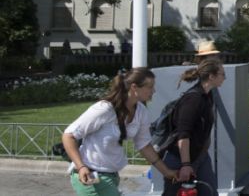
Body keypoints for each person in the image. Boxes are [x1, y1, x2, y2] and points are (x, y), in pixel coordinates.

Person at [62, 68, 177, 196]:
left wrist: (166, 172)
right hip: (89, 174)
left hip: (111, 176)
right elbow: (69, 135)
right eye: (150, 87)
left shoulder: (141, 111)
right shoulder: (104, 109)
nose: (154, 91)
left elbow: (144, 145)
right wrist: (81, 166)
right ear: (134, 87)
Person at [161, 58, 226, 196]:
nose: (224, 78)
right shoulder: (193, 100)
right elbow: (183, 134)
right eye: (222, 74)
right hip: (179, 159)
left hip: (199, 156)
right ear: (211, 76)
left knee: (210, 192)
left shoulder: (207, 96)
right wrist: (185, 165)